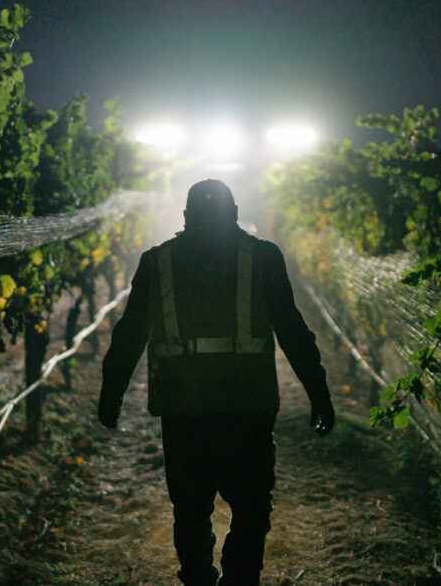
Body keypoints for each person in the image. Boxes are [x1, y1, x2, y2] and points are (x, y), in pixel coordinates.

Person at [97, 178, 335, 586]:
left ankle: (198, 578)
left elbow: (130, 333)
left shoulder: (158, 262)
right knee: (252, 508)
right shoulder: (263, 258)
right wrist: (318, 392)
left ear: (185, 217)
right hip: (248, 407)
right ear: (236, 214)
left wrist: (111, 393)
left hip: (183, 410)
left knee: (190, 509)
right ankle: (240, 578)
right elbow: (293, 330)